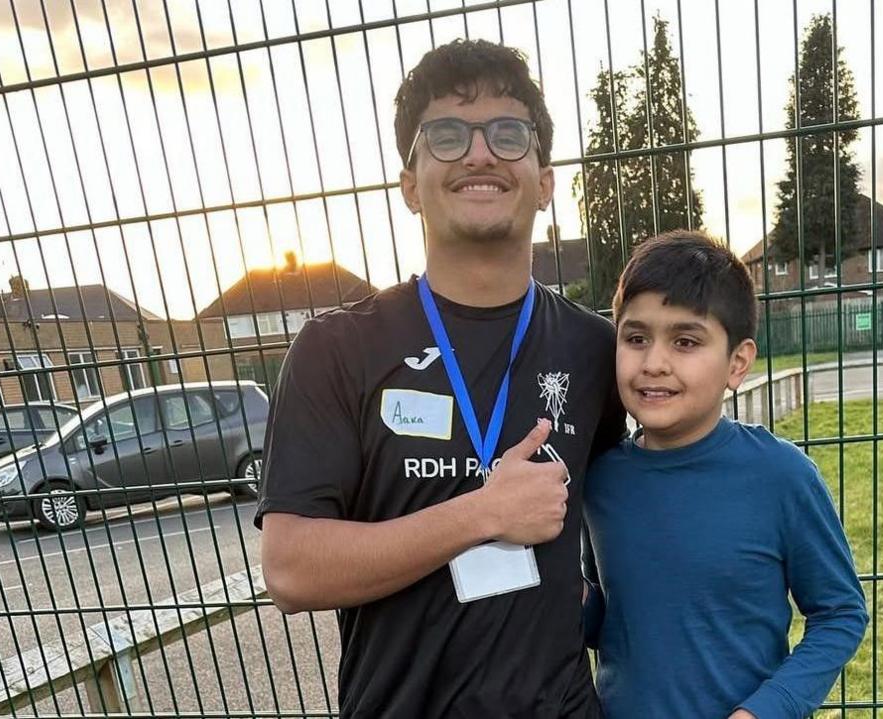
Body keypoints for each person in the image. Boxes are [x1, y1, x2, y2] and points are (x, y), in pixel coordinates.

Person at [257, 39, 626, 718]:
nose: (480, 154)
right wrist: (483, 513)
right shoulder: (336, 348)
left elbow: (624, 507)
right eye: (447, 135)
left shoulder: (594, 348)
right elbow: (291, 567)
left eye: (509, 134)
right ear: (408, 185)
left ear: (544, 182)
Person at [582, 230, 869, 719]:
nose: (654, 363)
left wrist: (766, 710)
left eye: (686, 341)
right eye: (635, 338)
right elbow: (608, 618)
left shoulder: (781, 476)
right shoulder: (600, 479)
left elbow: (841, 613)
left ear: (737, 363)